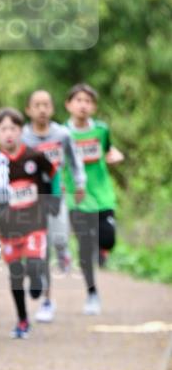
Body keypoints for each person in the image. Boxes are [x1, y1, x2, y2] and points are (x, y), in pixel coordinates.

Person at [0, 107, 57, 339]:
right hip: (9, 227)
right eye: (3, 129)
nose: (8, 133)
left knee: (34, 265)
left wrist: (51, 202)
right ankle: (22, 320)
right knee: (16, 274)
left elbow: (51, 175)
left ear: (21, 130)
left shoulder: (34, 156)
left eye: (13, 128)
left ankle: (37, 276)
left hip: (35, 222)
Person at [22, 90, 86, 322]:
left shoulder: (62, 134)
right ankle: (47, 301)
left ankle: (64, 252)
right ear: (28, 109)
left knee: (59, 240)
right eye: (37, 105)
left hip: (56, 196)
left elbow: (75, 160)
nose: (42, 109)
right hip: (30, 201)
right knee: (40, 251)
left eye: (46, 104)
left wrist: (79, 184)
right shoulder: (22, 137)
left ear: (52, 108)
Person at [64, 83, 119, 314]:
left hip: (103, 195)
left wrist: (114, 155)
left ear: (94, 107)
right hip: (77, 198)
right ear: (68, 105)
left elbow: (108, 150)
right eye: (78, 100)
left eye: (88, 101)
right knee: (85, 248)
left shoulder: (101, 130)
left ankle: (102, 250)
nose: (83, 105)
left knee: (108, 238)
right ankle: (92, 293)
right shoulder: (62, 133)